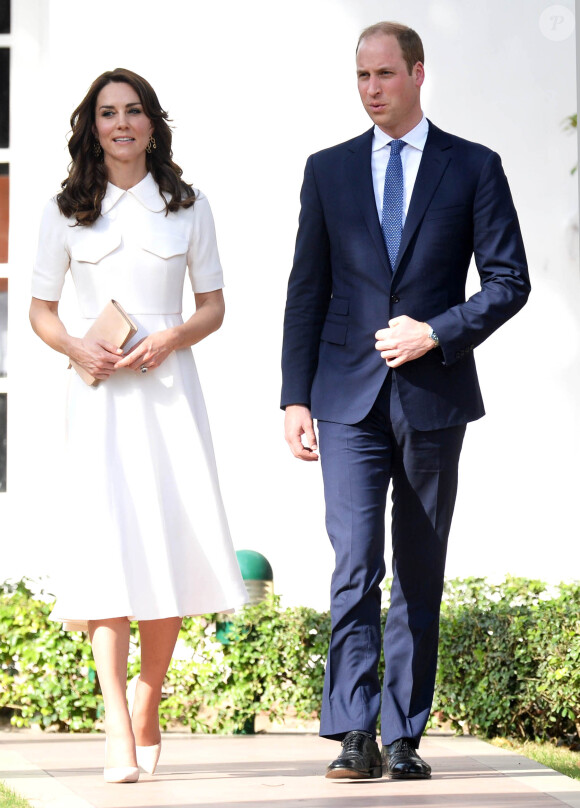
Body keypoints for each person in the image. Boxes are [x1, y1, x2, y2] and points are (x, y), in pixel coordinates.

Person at [281, 22, 529, 781]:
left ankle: (405, 735)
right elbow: (306, 291)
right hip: (345, 399)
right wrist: (294, 397)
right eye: (361, 76)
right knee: (354, 562)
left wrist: (438, 331)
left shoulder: (473, 167)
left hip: (432, 396)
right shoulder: (328, 170)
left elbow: (508, 281)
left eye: (384, 74)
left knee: (420, 567)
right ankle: (354, 731)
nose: (371, 89)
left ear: (418, 73)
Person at [30, 68, 248, 784]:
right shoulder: (63, 210)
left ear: (153, 123)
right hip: (96, 398)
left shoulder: (189, 206)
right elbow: (40, 311)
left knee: (169, 546)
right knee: (105, 552)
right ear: (91, 128)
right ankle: (117, 726)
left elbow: (213, 306)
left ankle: (148, 699)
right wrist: (74, 346)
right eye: (106, 113)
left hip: (168, 393)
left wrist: (172, 338)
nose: (120, 124)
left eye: (133, 111)